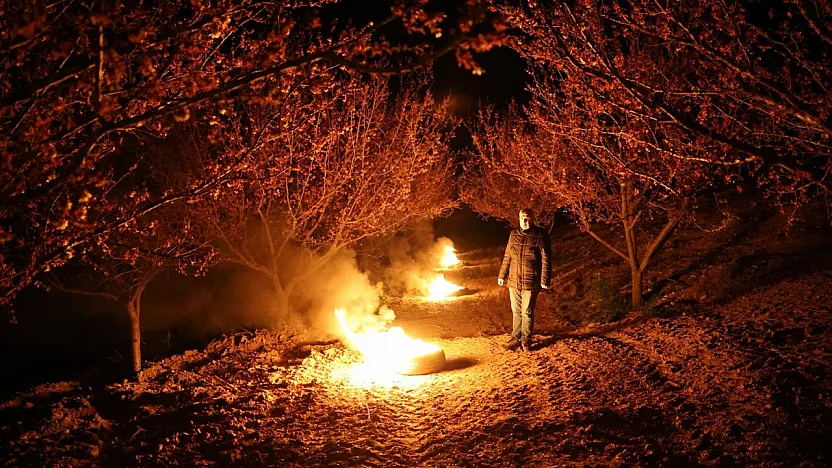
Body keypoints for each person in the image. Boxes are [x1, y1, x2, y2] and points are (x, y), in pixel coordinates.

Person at [498, 208, 551, 352]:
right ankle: (516, 337)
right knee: (516, 311)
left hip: (531, 281)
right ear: (519, 218)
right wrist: (502, 275)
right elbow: (507, 256)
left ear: (532, 219)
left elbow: (546, 259)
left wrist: (544, 279)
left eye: (527, 218)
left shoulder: (540, 235)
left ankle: (526, 340)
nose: (525, 221)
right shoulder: (513, 234)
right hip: (514, 280)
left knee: (527, 312)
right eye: (522, 217)